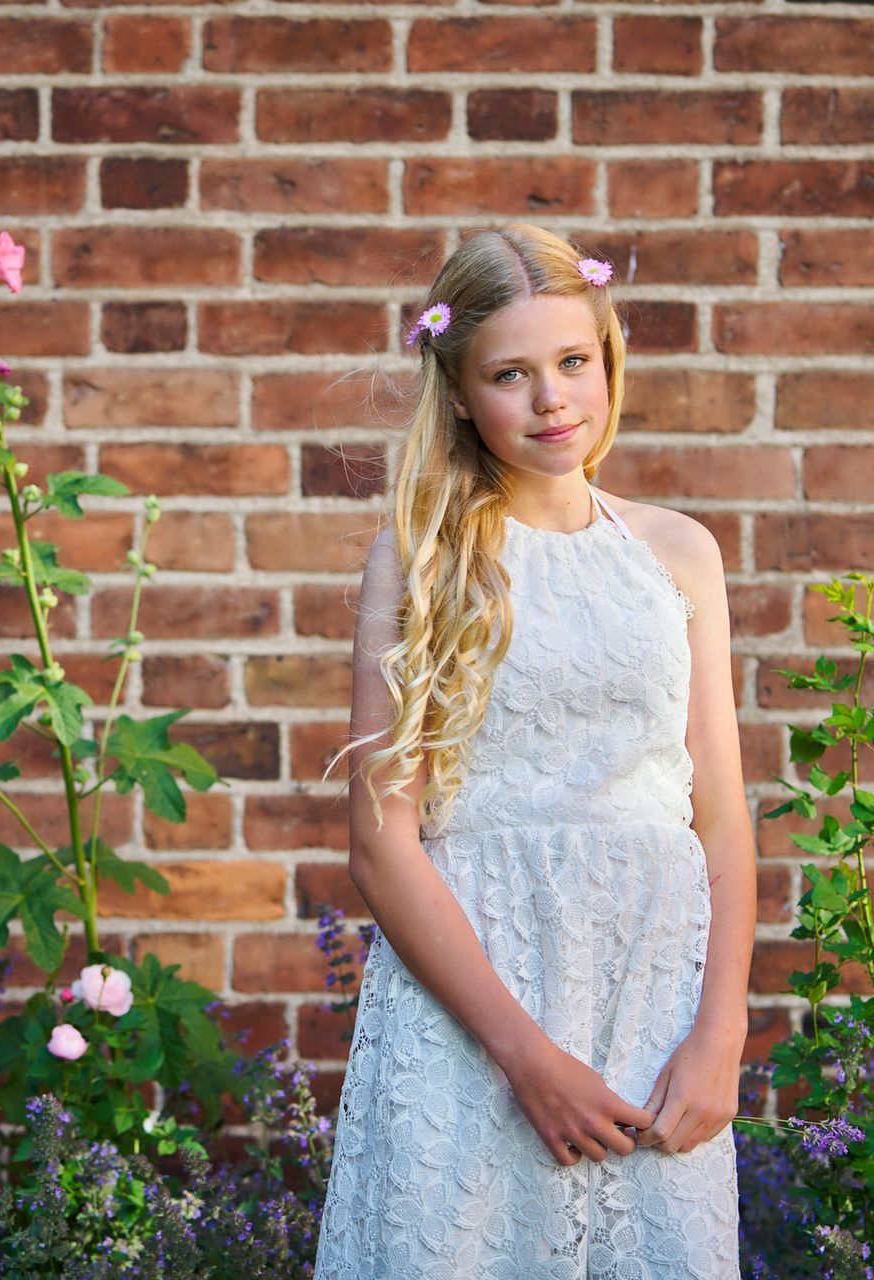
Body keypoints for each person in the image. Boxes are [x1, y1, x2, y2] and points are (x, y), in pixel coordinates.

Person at [313, 223, 754, 1278]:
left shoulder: (680, 553)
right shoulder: (420, 560)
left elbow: (722, 813)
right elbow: (384, 843)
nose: (553, 397)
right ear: (461, 392)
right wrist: (526, 1056)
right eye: (511, 373)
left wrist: (722, 1030)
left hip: (649, 1005)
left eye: (574, 361)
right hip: (480, 1007)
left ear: (609, 360)